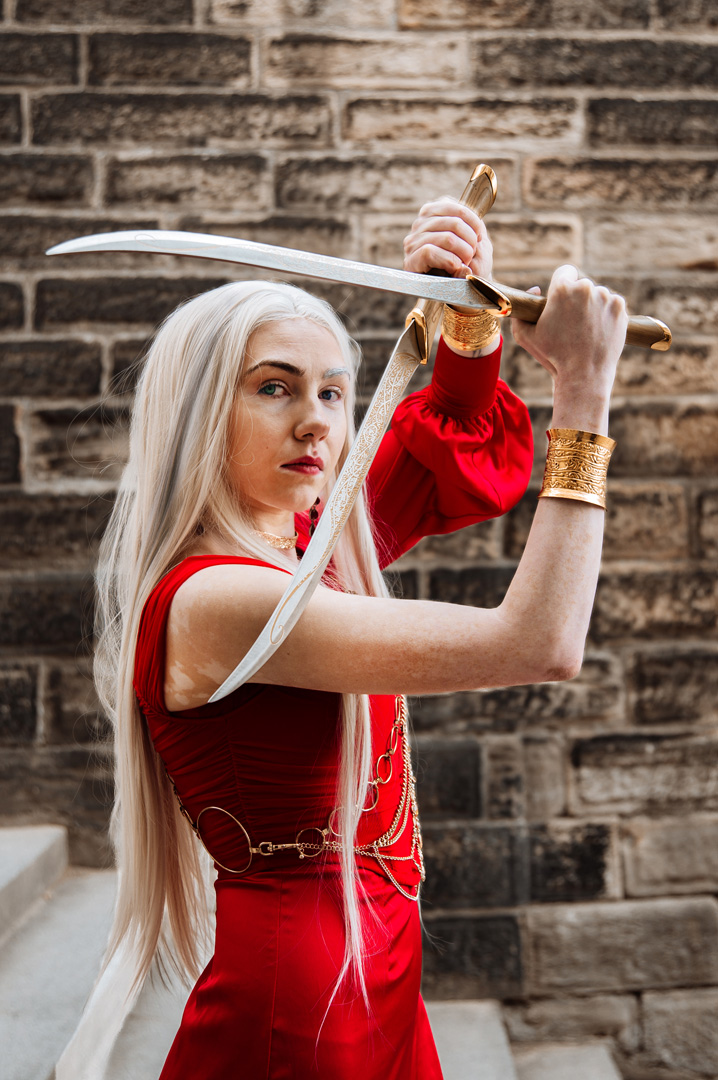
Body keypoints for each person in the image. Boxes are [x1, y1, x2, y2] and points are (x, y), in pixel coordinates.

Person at [93, 196, 627, 1080]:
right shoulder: (220, 600)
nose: (316, 421)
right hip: (302, 1000)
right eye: (274, 387)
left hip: (379, 970)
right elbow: (540, 641)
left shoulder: (304, 546)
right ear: (196, 413)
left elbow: (441, 450)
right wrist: (586, 390)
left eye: (334, 392)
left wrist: (465, 313)